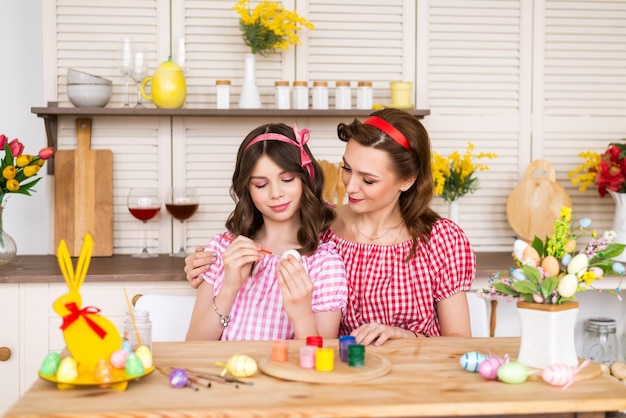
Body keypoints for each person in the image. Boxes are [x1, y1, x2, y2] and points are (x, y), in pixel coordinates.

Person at [185, 109, 475, 345]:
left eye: (369, 180)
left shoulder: (440, 240)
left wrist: (408, 337)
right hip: (342, 377)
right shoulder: (318, 228)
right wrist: (205, 264)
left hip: (418, 377)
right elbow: (266, 235)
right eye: (347, 168)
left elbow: (460, 341)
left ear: (407, 180)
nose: (350, 185)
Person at [185, 122, 348, 341]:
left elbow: (322, 360)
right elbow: (193, 345)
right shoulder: (223, 249)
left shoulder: (323, 263)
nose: (276, 193)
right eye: (261, 184)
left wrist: (301, 316)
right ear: (247, 189)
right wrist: (229, 288)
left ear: (305, 178)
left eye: (287, 179)